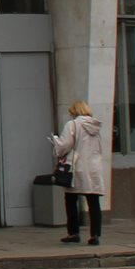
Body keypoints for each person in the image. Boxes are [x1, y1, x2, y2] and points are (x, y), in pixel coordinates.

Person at [49, 100, 105, 246]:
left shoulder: (72, 124)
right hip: (94, 167)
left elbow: (65, 145)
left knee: (71, 199)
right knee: (93, 201)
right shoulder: (96, 126)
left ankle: (73, 232)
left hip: (77, 167)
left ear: (74, 112)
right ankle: (95, 235)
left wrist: (55, 141)